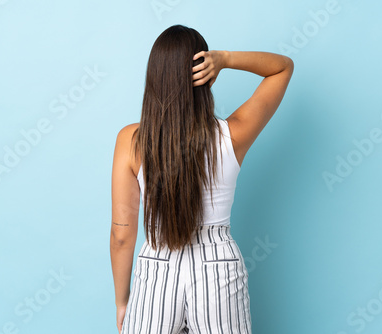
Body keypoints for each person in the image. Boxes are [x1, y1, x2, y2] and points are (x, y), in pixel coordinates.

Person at [110, 24, 294, 334]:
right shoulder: (233, 134)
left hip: (157, 266)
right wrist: (224, 58)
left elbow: (121, 236)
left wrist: (122, 301)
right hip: (217, 265)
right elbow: (282, 68)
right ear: (204, 73)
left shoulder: (132, 140)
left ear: (155, 77)